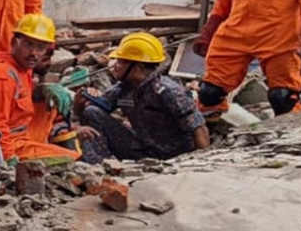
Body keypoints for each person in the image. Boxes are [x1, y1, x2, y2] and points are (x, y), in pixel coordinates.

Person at [75, 32, 209, 163]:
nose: (115, 65)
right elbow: (95, 112)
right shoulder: (123, 88)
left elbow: (198, 127)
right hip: (142, 150)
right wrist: (80, 102)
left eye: (121, 62)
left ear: (137, 68)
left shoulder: (167, 91)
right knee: (91, 112)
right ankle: (98, 167)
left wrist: (201, 162)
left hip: (174, 156)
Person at [0, 14, 76, 164]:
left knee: (49, 102)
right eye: (28, 44)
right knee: (69, 159)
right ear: (14, 42)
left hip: (19, 137)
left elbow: (19, 99)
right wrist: (9, 158)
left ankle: (42, 144)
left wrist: (41, 90)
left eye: (40, 47)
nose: (34, 53)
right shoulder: (2, 76)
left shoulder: (22, 68)